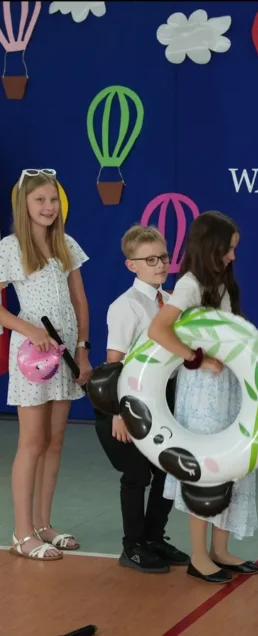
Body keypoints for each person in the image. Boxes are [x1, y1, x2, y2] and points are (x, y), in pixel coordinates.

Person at [148, 211, 258, 584]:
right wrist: (195, 358)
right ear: (210, 246)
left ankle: (220, 549)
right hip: (203, 393)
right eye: (228, 248)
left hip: (228, 387)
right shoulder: (190, 284)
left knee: (233, 463)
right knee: (206, 469)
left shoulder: (222, 282)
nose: (232, 256)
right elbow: (158, 329)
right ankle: (199, 555)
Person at [0, 169, 91, 560]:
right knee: (32, 442)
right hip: (32, 356)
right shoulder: (10, 247)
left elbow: (79, 301)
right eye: (40, 200)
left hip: (65, 353)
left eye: (53, 200)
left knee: (54, 441)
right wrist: (29, 329)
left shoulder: (66, 244)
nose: (48, 207)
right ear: (24, 204)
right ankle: (21, 534)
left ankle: (42, 524)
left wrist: (82, 350)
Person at [94, 224, 189, 573]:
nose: (160, 264)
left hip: (162, 398)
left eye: (163, 257)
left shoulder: (171, 301)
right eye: (150, 260)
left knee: (167, 470)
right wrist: (117, 412)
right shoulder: (127, 307)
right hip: (128, 399)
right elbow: (113, 364)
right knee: (136, 474)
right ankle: (132, 546)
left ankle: (153, 538)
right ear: (131, 265)